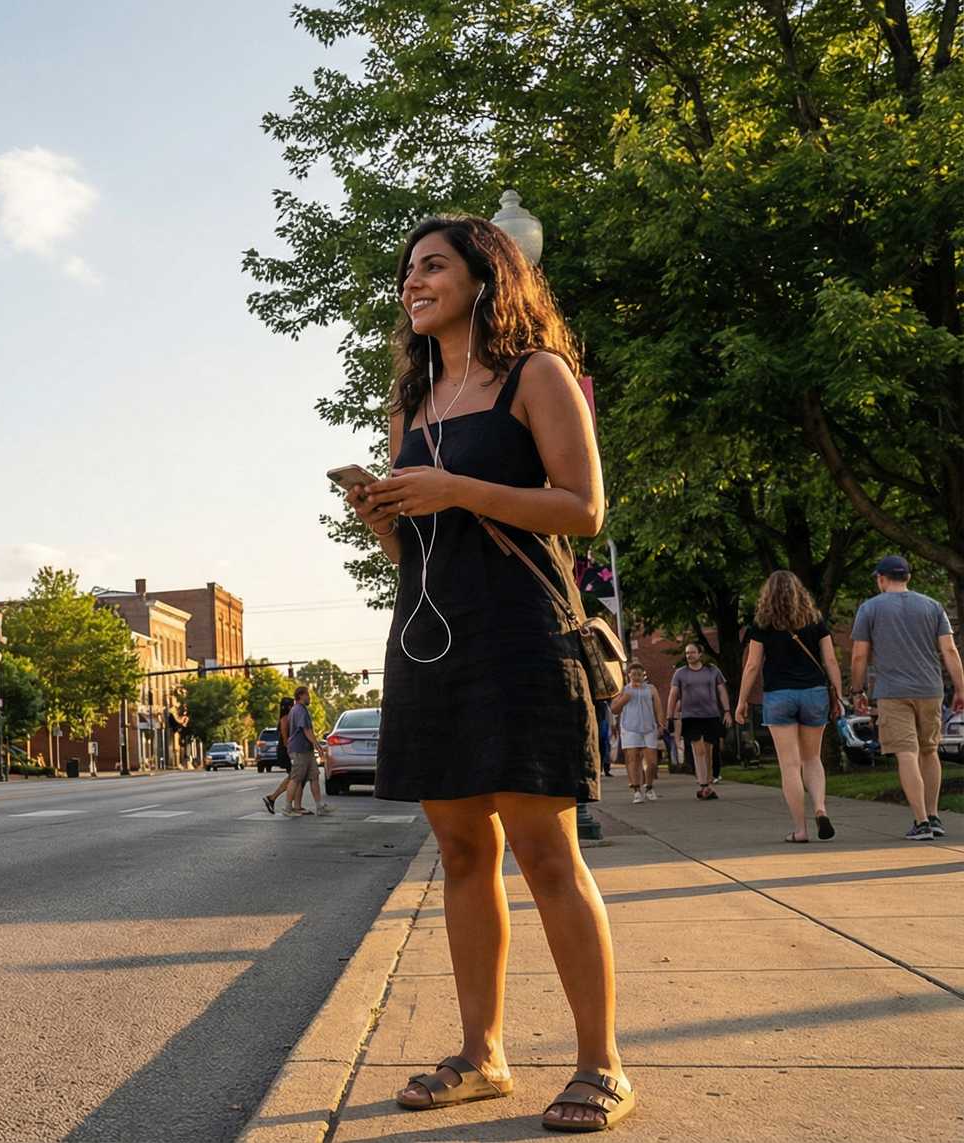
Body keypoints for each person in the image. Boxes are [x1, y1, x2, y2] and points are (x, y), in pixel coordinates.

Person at [355, 215, 632, 1131]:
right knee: (463, 852)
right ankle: (484, 1054)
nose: (412, 282)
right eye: (407, 272)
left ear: (486, 276)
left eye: (433, 265)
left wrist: (458, 488)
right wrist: (385, 512)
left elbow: (582, 509)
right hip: (432, 642)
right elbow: (417, 547)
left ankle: (603, 1063)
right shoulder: (412, 401)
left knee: (549, 852)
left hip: (521, 637)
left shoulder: (536, 375)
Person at [849, 554, 964, 841]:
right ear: (908, 578)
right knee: (929, 751)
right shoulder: (932, 606)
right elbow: (949, 650)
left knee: (906, 753)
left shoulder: (869, 609)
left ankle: (921, 822)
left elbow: (860, 654)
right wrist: (961, 688)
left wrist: (857, 690)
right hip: (930, 689)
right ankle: (935, 815)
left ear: (882, 578)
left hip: (892, 692)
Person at [733, 571, 843, 842]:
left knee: (790, 765)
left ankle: (800, 829)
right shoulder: (815, 620)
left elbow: (752, 665)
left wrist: (741, 701)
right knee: (812, 759)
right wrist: (838, 695)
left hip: (779, 695)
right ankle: (820, 807)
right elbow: (830, 660)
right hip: (814, 693)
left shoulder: (761, 624)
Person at [665, 644, 731, 799]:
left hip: (710, 715)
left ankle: (708, 784)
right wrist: (670, 716)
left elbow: (721, 691)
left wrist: (727, 711)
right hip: (691, 716)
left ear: (700, 654)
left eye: (692, 652)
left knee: (708, 750)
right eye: (687, 653)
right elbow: (673, 695)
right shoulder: (680, 673)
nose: (689, 655)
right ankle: (703, 783)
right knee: (699, 749)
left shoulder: (712, 670)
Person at [609, 663, 662, 803]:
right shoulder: (624, 690)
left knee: (651, 762)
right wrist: (624, 699)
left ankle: (649, 786)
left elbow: (658, 707)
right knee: (633, 759)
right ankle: (636, 790)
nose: (637, 677)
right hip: (630, 728)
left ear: (644, 675)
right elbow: (614, 709)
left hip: (649, 728)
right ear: (629, 675)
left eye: (639, 674)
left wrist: (661, 724)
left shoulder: (651, 689)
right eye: (634, 674)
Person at [281, 686, 330, 816]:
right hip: (299, 750)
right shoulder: (300, 710)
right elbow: (306, 731)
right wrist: (318, 746)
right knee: (295, 778)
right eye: (307, 695)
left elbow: (308, 731)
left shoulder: (298, 710)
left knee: (314, 777)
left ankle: (319, 806)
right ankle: (287, 808)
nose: (309, 697)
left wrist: (314, 746)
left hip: (306, 750)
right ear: (301, 695)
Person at [260, 699, 294, 814]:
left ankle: (275, 799)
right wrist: (291, 753)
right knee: (294, 777)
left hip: (286, 750)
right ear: (289, 707)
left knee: (293, 777)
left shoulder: (289, 718)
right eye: (292, 705)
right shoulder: (284, 719)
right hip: (285, 751)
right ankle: (274, 798)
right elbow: (285, 739)